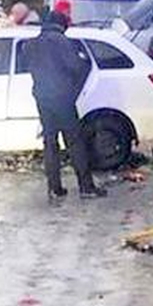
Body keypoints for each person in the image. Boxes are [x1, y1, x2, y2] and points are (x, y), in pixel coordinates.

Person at [23, 10, 107, 204]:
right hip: (62, 97)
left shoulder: (32, 44)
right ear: (62, 25)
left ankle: (54, 188)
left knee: (50, 142)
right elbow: (77, 66)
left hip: (42, 98)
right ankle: (86, 186)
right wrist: (74, 87)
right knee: (75, 142)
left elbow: (26, 65)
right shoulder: (62, 42)